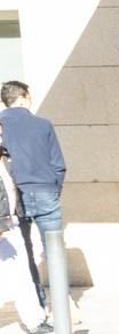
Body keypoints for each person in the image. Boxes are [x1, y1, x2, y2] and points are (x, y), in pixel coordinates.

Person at [0, 81, 66, 308]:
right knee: (54, 249)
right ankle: (62, 304)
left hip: (16, 196)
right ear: (23, 97)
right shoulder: (43, 124)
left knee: (25, 253)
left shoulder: (1, 125)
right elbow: (58, 164)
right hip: (46, 190)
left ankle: (39, 305)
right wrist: (54, 189)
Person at [0, 119, 49, 334]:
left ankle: (35, 324)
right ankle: (35, 324)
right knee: (19, 276)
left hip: (10, 224)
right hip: (3, 227)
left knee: (21, 275)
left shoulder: (7, 157)